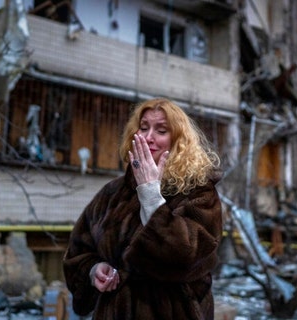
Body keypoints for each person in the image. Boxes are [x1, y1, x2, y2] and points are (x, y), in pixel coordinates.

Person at [63, 98, 223, 319]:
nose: (149, 137)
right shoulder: (113, 192)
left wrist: (150, 194)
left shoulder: (198, 192)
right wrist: (93, 269)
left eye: (161, 130)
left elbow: (188, 256)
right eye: (144, 127)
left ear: (178, 140)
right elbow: (78, 249)